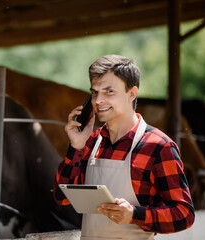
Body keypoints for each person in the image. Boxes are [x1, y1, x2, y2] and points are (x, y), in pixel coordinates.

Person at [53, 55, 195, 239]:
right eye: (95, 92)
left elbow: (184, 214)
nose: (98, 101)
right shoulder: (89, 141)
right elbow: (61, 197)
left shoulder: (159, 146)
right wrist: (76, 146)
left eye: (109, 91)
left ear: (132, 93)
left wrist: (135, 215)